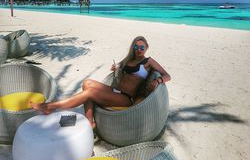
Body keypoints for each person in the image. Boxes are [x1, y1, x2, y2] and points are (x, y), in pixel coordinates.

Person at [30, 36, 171, 128]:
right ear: (133, 48)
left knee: (89, 92)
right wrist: (116, 68)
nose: (139, 50)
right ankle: (89, 122)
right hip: (115, 91)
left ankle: (50, 106)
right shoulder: (129, 59)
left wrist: (158, 80)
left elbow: (167, 75)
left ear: (146, 48)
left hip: (126, 98)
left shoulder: (149, 61)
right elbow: (118, 68)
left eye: (142, 47)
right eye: (136, 47)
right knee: (87, 83)